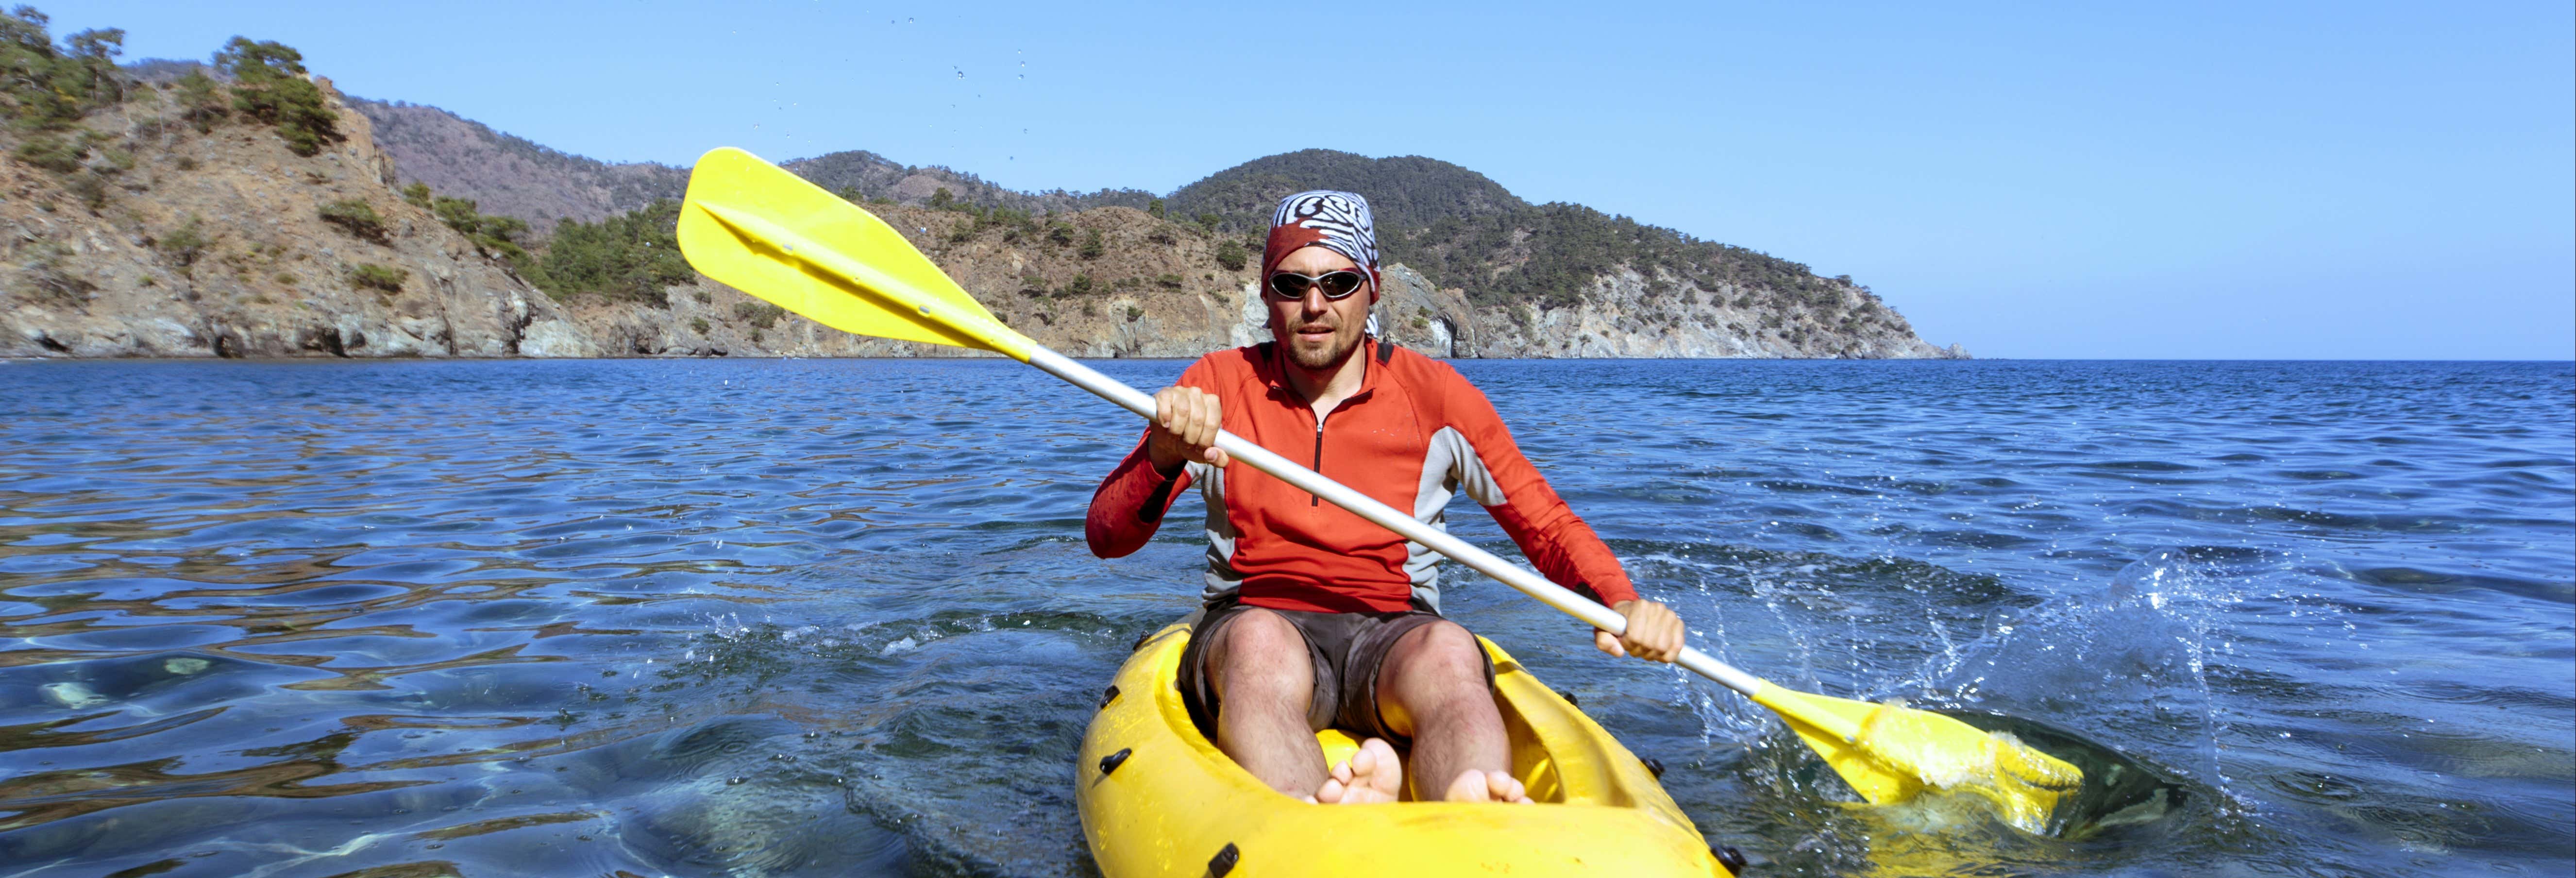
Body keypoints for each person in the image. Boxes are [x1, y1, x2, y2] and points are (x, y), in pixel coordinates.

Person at [1086, 190, 1686, 805]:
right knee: (1258, 643)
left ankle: (1470, 812)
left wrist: (1620, 600)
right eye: (1291, 285)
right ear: (1267, 297)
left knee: (1452, 648)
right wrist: (1161, 453)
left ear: (1371, 288)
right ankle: (1312, 831)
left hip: (1393, 637)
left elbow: (1545, 522)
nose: (1314, 305)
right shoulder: (1217, 386)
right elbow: (1106, 538)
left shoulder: (1438, 397)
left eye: (1338, 281)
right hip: (1256, 620)